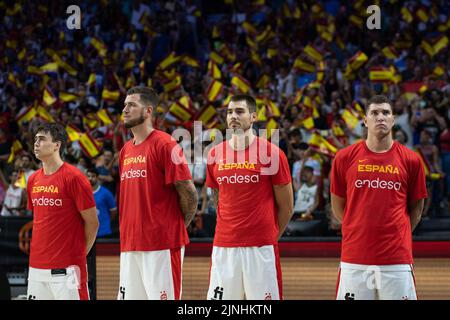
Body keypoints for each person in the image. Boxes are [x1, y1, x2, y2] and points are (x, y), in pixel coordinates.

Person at [330, 95, 427, 300]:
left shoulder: (412, 160)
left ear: (393, 120)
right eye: (374, 113)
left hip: (397, 260)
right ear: (365, 120)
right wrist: (356, 227)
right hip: (355, 258)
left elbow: (417, 209)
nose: (380, 117)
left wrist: (397, 234)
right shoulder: (344, 157)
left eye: (385, 113)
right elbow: (338, 206)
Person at [205, 94, 293, 300]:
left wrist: (268, 237)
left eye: (239, 111)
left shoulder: (273, 153)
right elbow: (217, 196)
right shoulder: (215, 154)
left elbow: (287, 208)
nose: (233, 116)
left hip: (261, 247)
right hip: (224, 246)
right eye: (229, 112)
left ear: (253, 117)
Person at [118, 86, 197, 300]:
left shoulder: (165, 144)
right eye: (125, 104)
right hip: (130, 244)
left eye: (132, 105)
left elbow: (189, 193)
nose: (125, 109)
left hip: (161, 245)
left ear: (148, 111)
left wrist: (175, 227)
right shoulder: (125, 150)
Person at [26, 123, 99, 300]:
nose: (36, 143)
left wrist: (79, 254)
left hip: (67, 271)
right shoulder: (32, 179)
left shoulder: (75, 178)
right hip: (36, 269)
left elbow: (93, 223)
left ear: (57, 145)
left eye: (42, 139)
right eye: (35, 139)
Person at [86, 168, 117, 238]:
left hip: (104, 231)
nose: (90, 178)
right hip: (88, 232)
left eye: (93, 176)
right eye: (88, 176)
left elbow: (113, 211)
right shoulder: (83, 193)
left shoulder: (106, 193)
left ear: (97, 177)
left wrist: (106, 221)